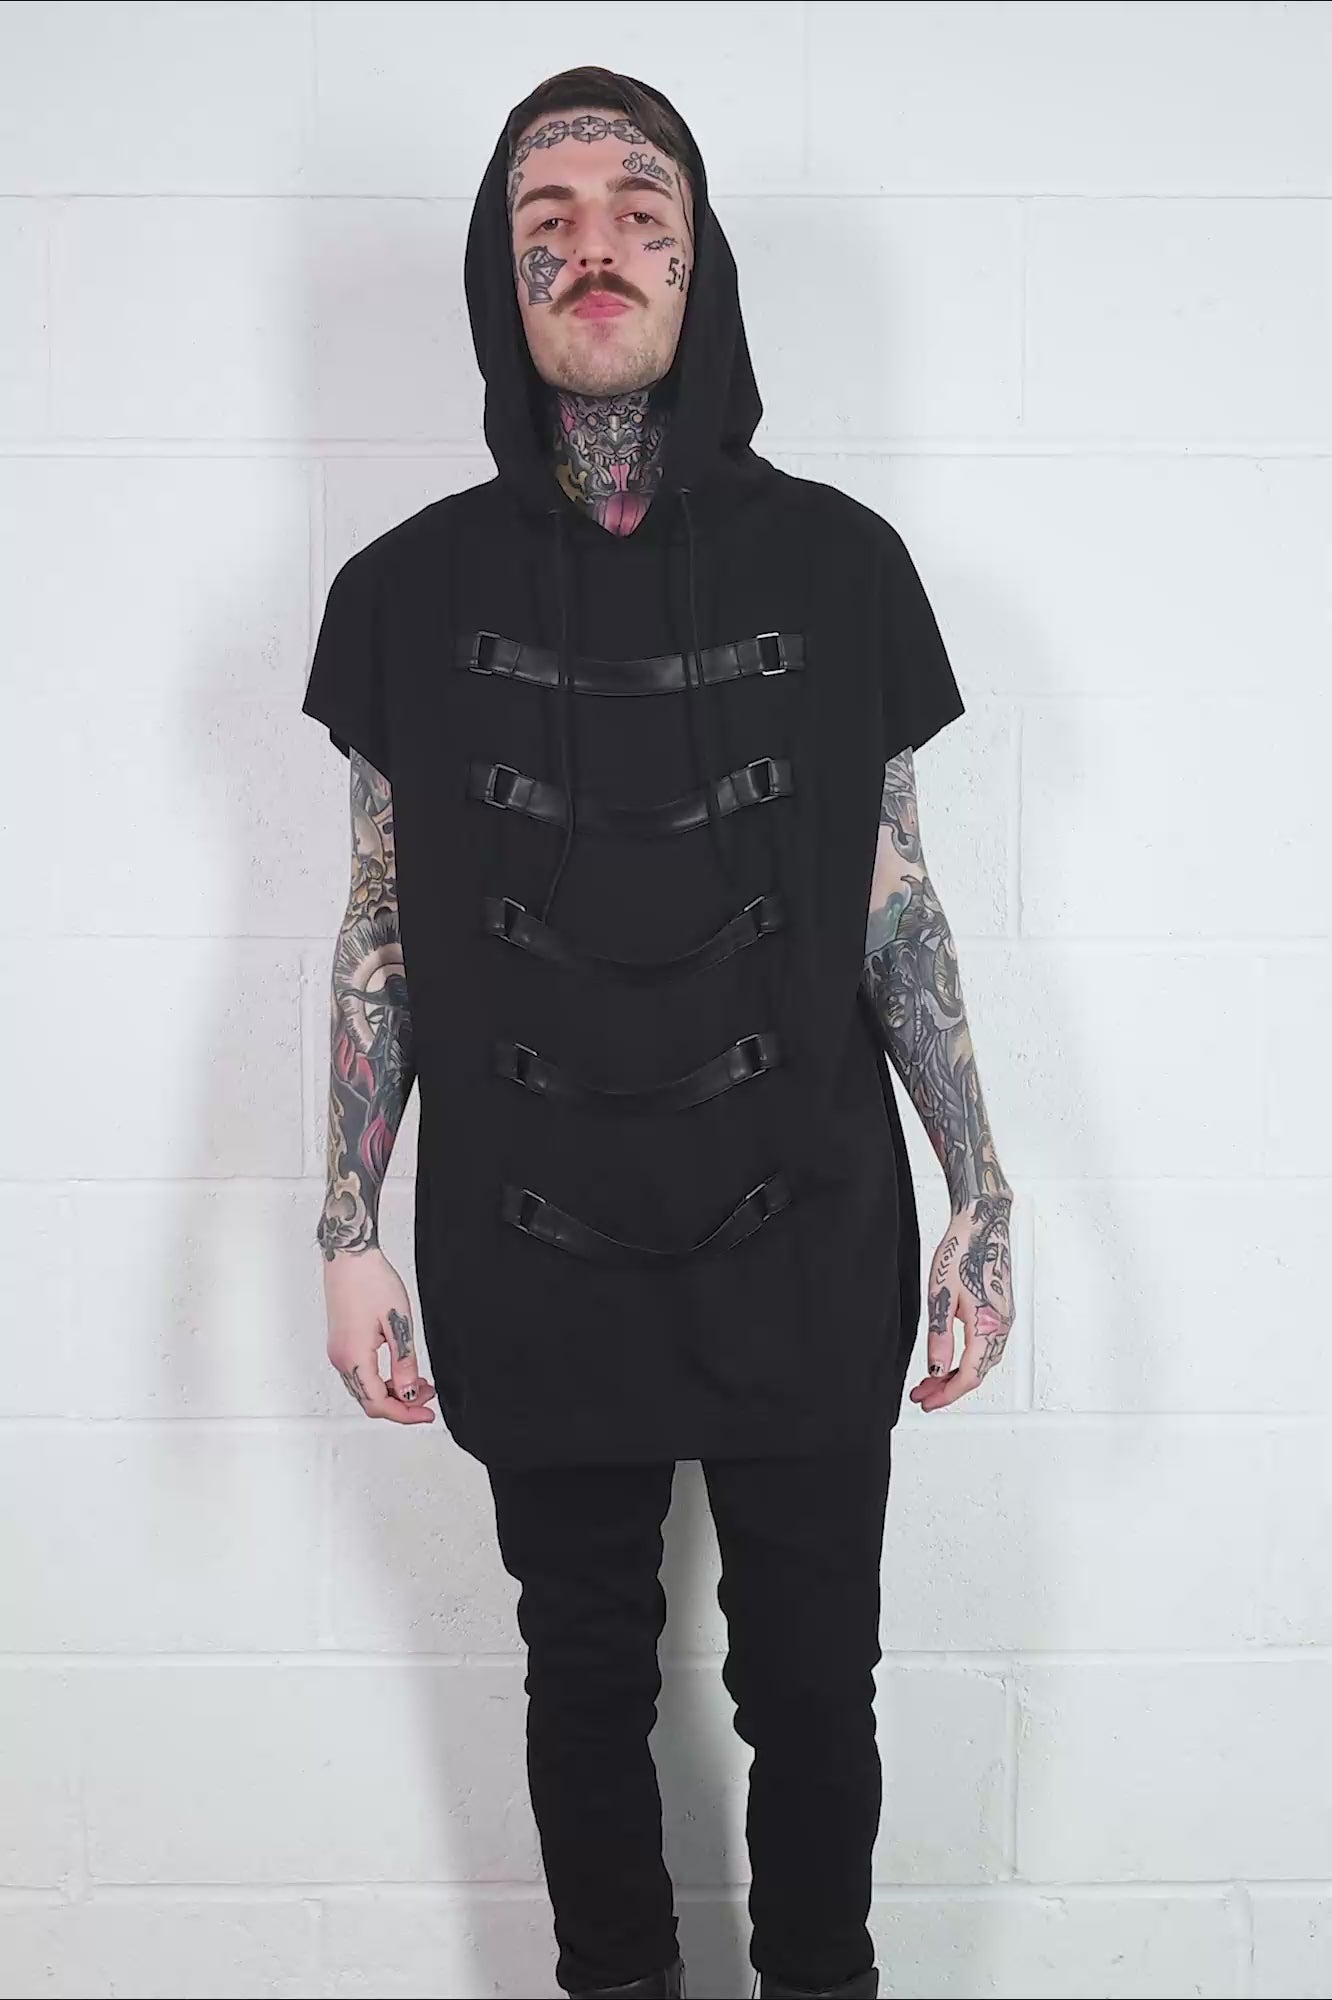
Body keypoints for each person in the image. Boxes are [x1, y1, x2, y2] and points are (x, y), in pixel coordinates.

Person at [301, 65, 1014, 2000]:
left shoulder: (843, 567)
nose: (594, 244)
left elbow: (895, 902)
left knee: (817, 1685)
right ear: (500, 273)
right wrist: (347, 1225)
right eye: (548, 219)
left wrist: (984, 1194)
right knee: (585, 1673)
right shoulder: (404, 590)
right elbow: (382, 923)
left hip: (810, 1224)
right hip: (531, 1229)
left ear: (702, 261)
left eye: (640, 210)